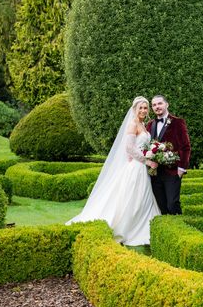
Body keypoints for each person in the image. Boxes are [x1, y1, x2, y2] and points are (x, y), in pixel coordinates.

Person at [66, 96, 160, 245]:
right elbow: (129, 148)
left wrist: (152, 155)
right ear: (134, 109)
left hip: (142, 168)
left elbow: (141, 146)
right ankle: (127, 228)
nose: (143, 110)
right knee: (133, 198)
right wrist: (146, 160)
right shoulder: (133, 124)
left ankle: (145, 226)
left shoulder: (144, 125)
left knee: (144, 198)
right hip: (136, 167)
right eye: (140, 108)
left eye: (145, 108)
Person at [146, 95, 191, 214]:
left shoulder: (178, 122)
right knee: (161, 206)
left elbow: (185, 147)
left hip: (172, 171)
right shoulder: (150, 124)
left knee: (172, 204)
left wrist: (181, 168)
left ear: (167, 104)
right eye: (154, 105)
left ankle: (180, 228)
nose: (157, 107)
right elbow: (146, 146)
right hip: (154, 172)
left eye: (159, 103)